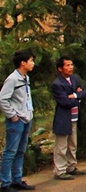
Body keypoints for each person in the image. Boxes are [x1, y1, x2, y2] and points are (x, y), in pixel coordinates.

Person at [0, 51, 36, 192]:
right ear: (23, 63)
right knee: (10, 152)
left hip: (26, 118)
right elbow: (2, 99)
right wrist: (12, 116)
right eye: (31, 60)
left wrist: (29, 113)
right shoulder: (13, 79)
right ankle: (5, 183)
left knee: (21, 151)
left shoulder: (25, 77)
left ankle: (17, 180)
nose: (33, 63)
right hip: (17, 121)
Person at [51, 56, 86, 180]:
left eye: (71, 64)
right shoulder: (57, 84)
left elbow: (85, 93)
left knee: (72, 144)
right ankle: (60, 170)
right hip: (63, 118)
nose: (71, 67)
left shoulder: (75, 79)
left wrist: (74, 95)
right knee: (61, 146)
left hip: (75, 117)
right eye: (67, 65)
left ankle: (71, 166)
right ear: (60, 68)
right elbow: (65, 102)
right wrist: (78, 97)